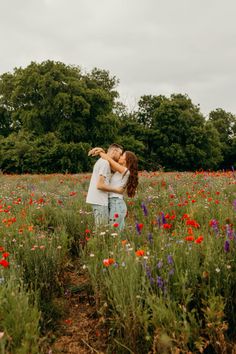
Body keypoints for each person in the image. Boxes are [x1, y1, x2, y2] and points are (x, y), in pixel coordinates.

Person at [89, 147, 138, 230]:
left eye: (123, 156)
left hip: (116, 203)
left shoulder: (125, 171)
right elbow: (109, 160)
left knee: (114, 231)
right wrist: (102, 151)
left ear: (127, 160)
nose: (120, 156)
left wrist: (100, 152)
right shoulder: (120, 170)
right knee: (116, 231)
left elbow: (109, 159)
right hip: (114, 203)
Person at [86, 143, 123, 227]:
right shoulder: (105, 163)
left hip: (98, 200)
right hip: (100, 201)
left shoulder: (103, 161)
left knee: (101, 229)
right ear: (114, 151)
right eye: (120, 154)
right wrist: (117, 190)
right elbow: (100, 185)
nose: (120, 157)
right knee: (101, 230)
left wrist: (101, 151)